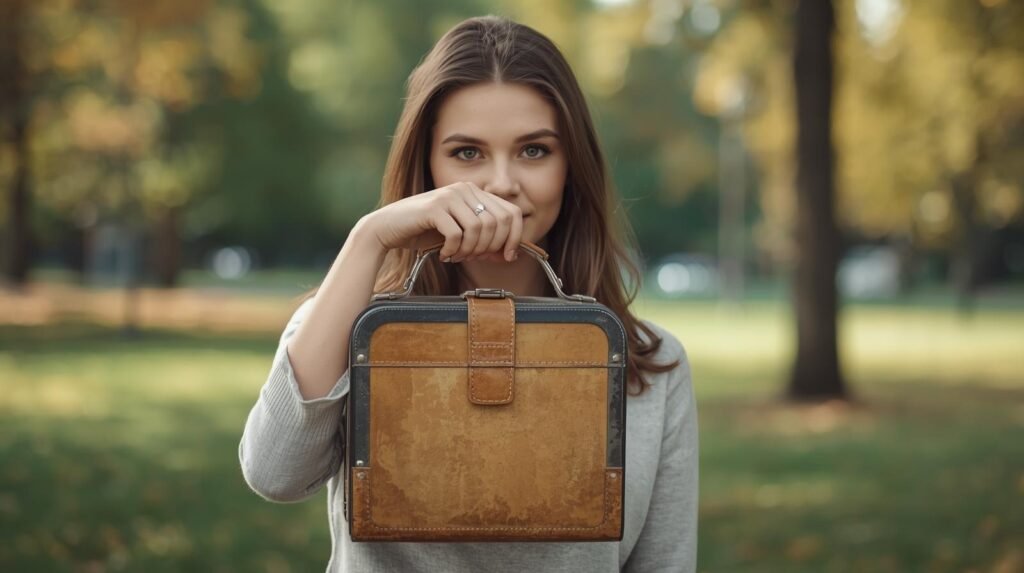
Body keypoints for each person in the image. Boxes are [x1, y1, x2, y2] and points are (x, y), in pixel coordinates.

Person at [239, 14, 698, 573]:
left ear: (571, 167)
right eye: (467, 153)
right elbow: (275, 475)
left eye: (534, 151)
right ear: (426, 165)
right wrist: (370, 237)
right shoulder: (352, 327)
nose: (502, 183)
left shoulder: (652, 363)